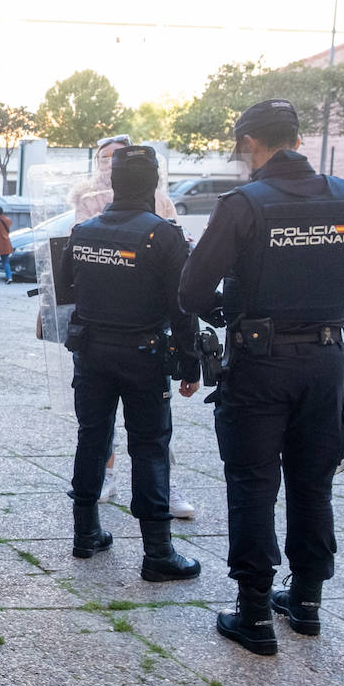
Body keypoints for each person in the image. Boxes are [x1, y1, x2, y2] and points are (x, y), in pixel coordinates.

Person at [179, 99, 344, 655]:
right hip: (325, 361)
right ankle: (307, 603)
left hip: (259, 363)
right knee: (313, 482)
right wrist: (318, 309)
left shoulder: (244, 204)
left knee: (253, 483)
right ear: (296, 138)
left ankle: (253, 616)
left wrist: (234, 314)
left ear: (251, 143)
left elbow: (191, 291)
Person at [59, 145, 201, 582]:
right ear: (153, 184)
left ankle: (86, 534)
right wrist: (190, 364)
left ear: (114, 182)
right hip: (144, 355)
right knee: (150, 446)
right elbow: (182, 306)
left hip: (91, 353)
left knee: (92, 438)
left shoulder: (83, 232)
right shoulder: (164, 235)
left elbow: (65, 288)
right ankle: (158, 552)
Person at [72, 134, 177, 224]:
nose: (110, 163)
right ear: (98, 163)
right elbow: (75, 234)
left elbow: (173, 234)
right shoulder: (87, 199)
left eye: (117, 158)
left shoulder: (160, 199)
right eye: (104, 158)